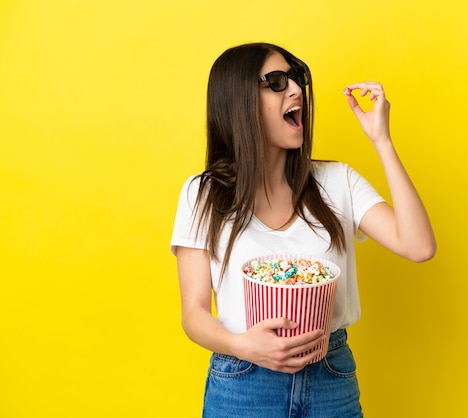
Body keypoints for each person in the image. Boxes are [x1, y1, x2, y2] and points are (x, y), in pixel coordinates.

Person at [170, 42, 436, 417]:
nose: (295, 89)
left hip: (330, 376)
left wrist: (383, 142)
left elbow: (418, 246)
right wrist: (243, 346)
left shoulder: (337, 181)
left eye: (295, 79)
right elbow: (194, 313)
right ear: (238, 101)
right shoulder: (203, 194)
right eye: (276, 82)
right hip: (244, 383)